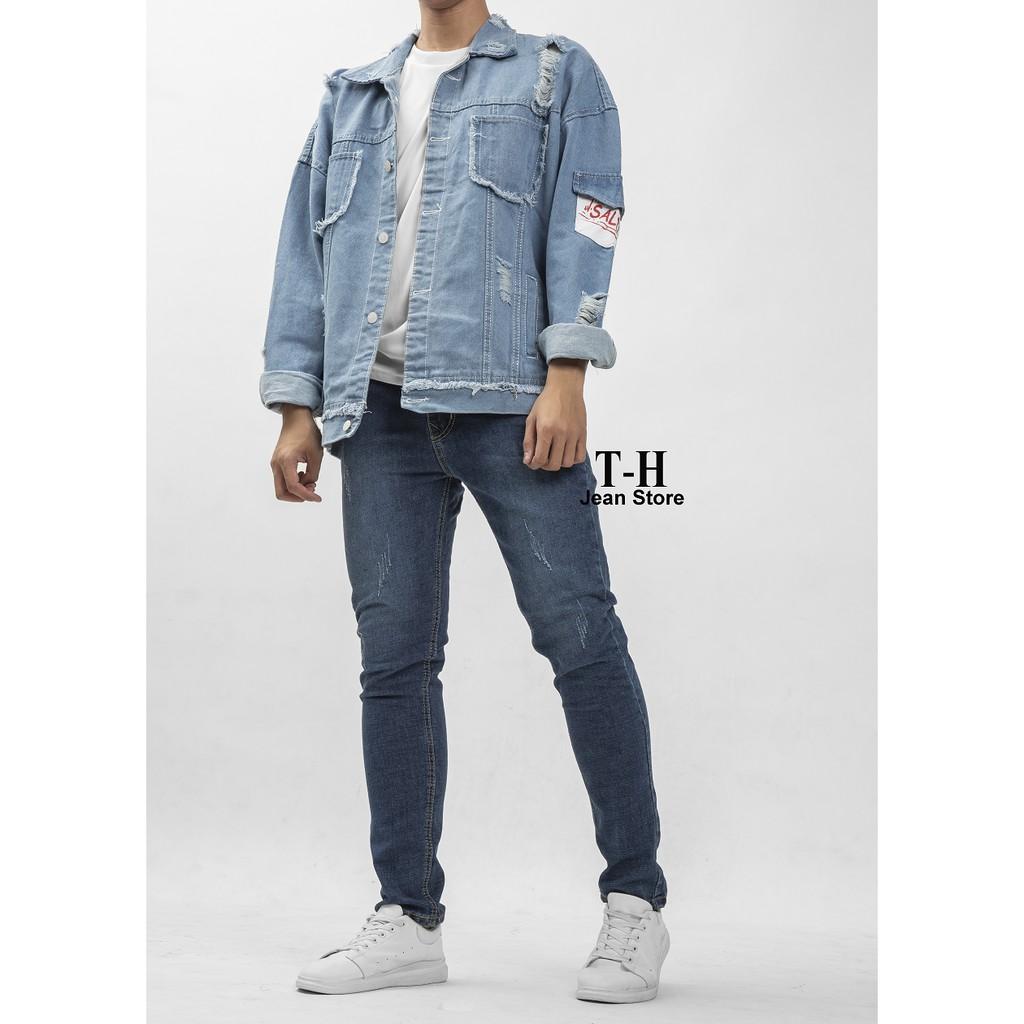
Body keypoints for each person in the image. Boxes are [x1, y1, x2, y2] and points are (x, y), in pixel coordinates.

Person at [261, 0, 669, 1004]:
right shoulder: (352, 98)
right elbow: (304, 256)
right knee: (393, 661)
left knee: (581, 637)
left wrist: (569, 370)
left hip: (510, 401)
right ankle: (407, 916)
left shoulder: (554, 74)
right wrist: (297, 404)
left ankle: (635, 902)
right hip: (376, 412)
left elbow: (589, 214)